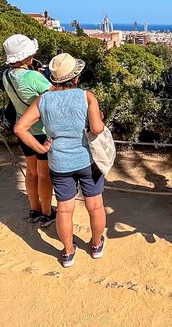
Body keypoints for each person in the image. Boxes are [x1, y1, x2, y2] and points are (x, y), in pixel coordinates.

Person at [14, 53, 106, 268]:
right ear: (76, 77)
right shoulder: (86, 96)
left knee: (64, 209)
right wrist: (99, 117)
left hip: (59, 162)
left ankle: (67, 252)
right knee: (95, 205)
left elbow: (20, 128)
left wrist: (41, 148)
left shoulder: (44, 99)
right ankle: (95, 245)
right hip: (86, 160)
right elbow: (97, 128)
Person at [2, 34, 55, 227]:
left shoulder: (6, 75)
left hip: (23, 130)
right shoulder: (33, 76)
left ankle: (34, 209)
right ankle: (47, 213)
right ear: (26, 56)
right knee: (44, 174)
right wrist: (44, 76)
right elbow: (55, 94)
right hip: (41, 131)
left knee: (31, 172)